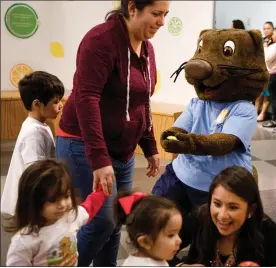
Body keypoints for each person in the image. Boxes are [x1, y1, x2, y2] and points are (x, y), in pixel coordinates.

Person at [55, 0, 170, 266]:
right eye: (156, 13)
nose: (162, 22)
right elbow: (86, 98)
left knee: (117, 221)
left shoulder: (148, 48)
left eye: (165, 14)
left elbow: (141, 101)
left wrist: (150, 145)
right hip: (83, 143)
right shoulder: (100, 40)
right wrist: (99, 159)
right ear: (132, 8)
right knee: (101, 222)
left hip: (122, 150)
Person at [171, 166, 276, 267]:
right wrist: (180, 266)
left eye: (233, 207)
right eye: (217, 204)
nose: (222, 215)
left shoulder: (267, 232)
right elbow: (157, 247)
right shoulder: (200, 217)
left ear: (251, 210)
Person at [6, 160, 106, 266]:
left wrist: (104, 186)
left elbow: (90, 207)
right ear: (33, 201)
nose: (62, 204)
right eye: (53, 200)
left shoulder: (71, 216)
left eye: (66, 196)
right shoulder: (24, 241)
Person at [1, 71, 64, 218]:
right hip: (29, 202)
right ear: (37, 104)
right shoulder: (33, 134)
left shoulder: (40, 125)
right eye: (55, 102)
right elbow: (36, 173)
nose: (60, 105)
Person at [114, 192, 182, 266]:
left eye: (178, 233)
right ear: (145, 242)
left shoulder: (155, 258)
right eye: (171, 235)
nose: (179, 240)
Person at [255, 21, 274, 122]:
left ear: (273, 29)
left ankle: (263, 113)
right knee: (258, 93)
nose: (266, 30)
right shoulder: (261, 41)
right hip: (260, 69)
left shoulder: (274, 42)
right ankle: (255, 111)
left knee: (266, 95)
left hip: (269, 70)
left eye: (268, 28)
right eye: (264, 28)